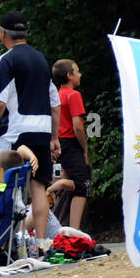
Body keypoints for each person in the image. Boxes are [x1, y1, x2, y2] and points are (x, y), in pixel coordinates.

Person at [0, 11, 60, 240]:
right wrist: (54, 137)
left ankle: (11, 242)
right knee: (39, 187)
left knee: (7, 187)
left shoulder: (6, 60)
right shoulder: (42, 59)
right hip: (42, 130)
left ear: (3, 34)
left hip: (15, 132)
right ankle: (41, 243)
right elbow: (55, 104)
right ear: (25, 33)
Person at [51, 59, 91, 230]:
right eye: (77, 71)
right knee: (82, 186)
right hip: (70, 144)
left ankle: (59, 226)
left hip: (57, 143)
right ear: (69, 75)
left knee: (64, 182)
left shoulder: (57, 95)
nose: (80, 74)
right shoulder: (73, 95)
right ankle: (74, 232)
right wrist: (85, 149)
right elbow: (78, 126)